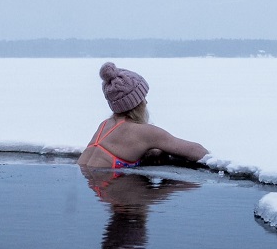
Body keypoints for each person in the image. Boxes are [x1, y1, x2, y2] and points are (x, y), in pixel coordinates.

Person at [77, 62, 208, 169]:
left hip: (92, 190)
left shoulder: (105, 125)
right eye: (143, 98)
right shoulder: (144, 132)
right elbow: (199, 151)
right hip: (112, 190)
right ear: (136, 103)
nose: (146, 102)